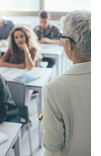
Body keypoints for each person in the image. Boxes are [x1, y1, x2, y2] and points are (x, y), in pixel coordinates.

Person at [40, 10, 91, 156]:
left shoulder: (54, 88)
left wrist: (44, 117)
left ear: (69, 43)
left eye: (61, 37)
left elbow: (52, 144)